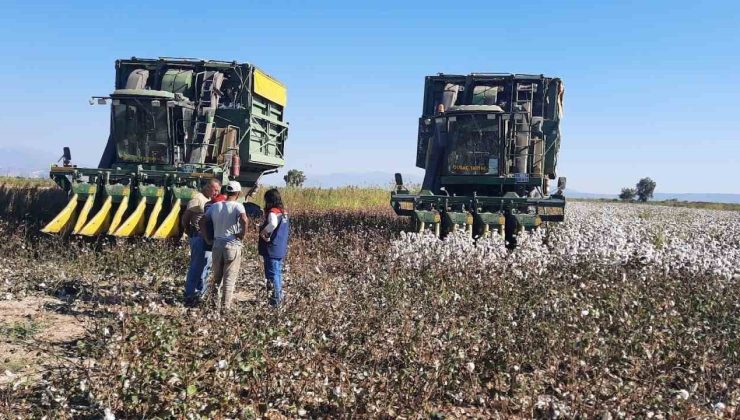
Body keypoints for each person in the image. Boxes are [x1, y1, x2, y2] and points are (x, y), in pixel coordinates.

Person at [200, 180, 248, 311]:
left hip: (217, 245)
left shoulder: (216, 206)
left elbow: (202, 221)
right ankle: (225, 309)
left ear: (226, 192)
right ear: (237, 193)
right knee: (229, 279)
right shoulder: (238, 206)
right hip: (232, 245)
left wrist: (207, 238)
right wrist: (242, 234)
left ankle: (212, 305)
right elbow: (244, 220)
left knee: (216, 277)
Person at [181, 178, 221, 306]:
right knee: (196, 266)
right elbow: (185, 218)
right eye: (215, 190)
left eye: (218, 191)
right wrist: (189, 231)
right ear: (208, 187)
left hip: (207, 238)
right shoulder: (197, 199)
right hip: (198, 236)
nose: (216, 193)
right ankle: (190, 293)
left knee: (205, 266)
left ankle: (200, 293)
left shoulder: (211, 201)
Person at [258, 188, 290, 307]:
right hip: (280, 247)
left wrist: (263, 232)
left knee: (272, 275)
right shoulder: (284, 212)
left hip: (272, 248)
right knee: (277, 274)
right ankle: (278, 298)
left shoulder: (273, 212)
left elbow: (273, 224)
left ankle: (275, 302)